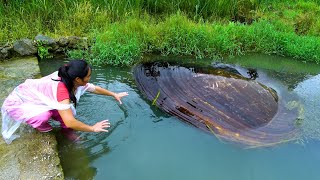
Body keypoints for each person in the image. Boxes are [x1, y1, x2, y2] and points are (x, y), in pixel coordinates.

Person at [1, 59, 128, 144]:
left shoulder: (70, 77)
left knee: (67, 112)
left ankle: (67, 132)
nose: (90, 78)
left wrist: (114, 94)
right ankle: (45, 130)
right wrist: (92, 128)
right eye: (88, 76)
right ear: (78, 79)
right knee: (43, 117)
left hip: (37, 99)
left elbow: (93, 88)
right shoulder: (62, 90)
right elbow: (70, 121)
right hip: (20, 102)